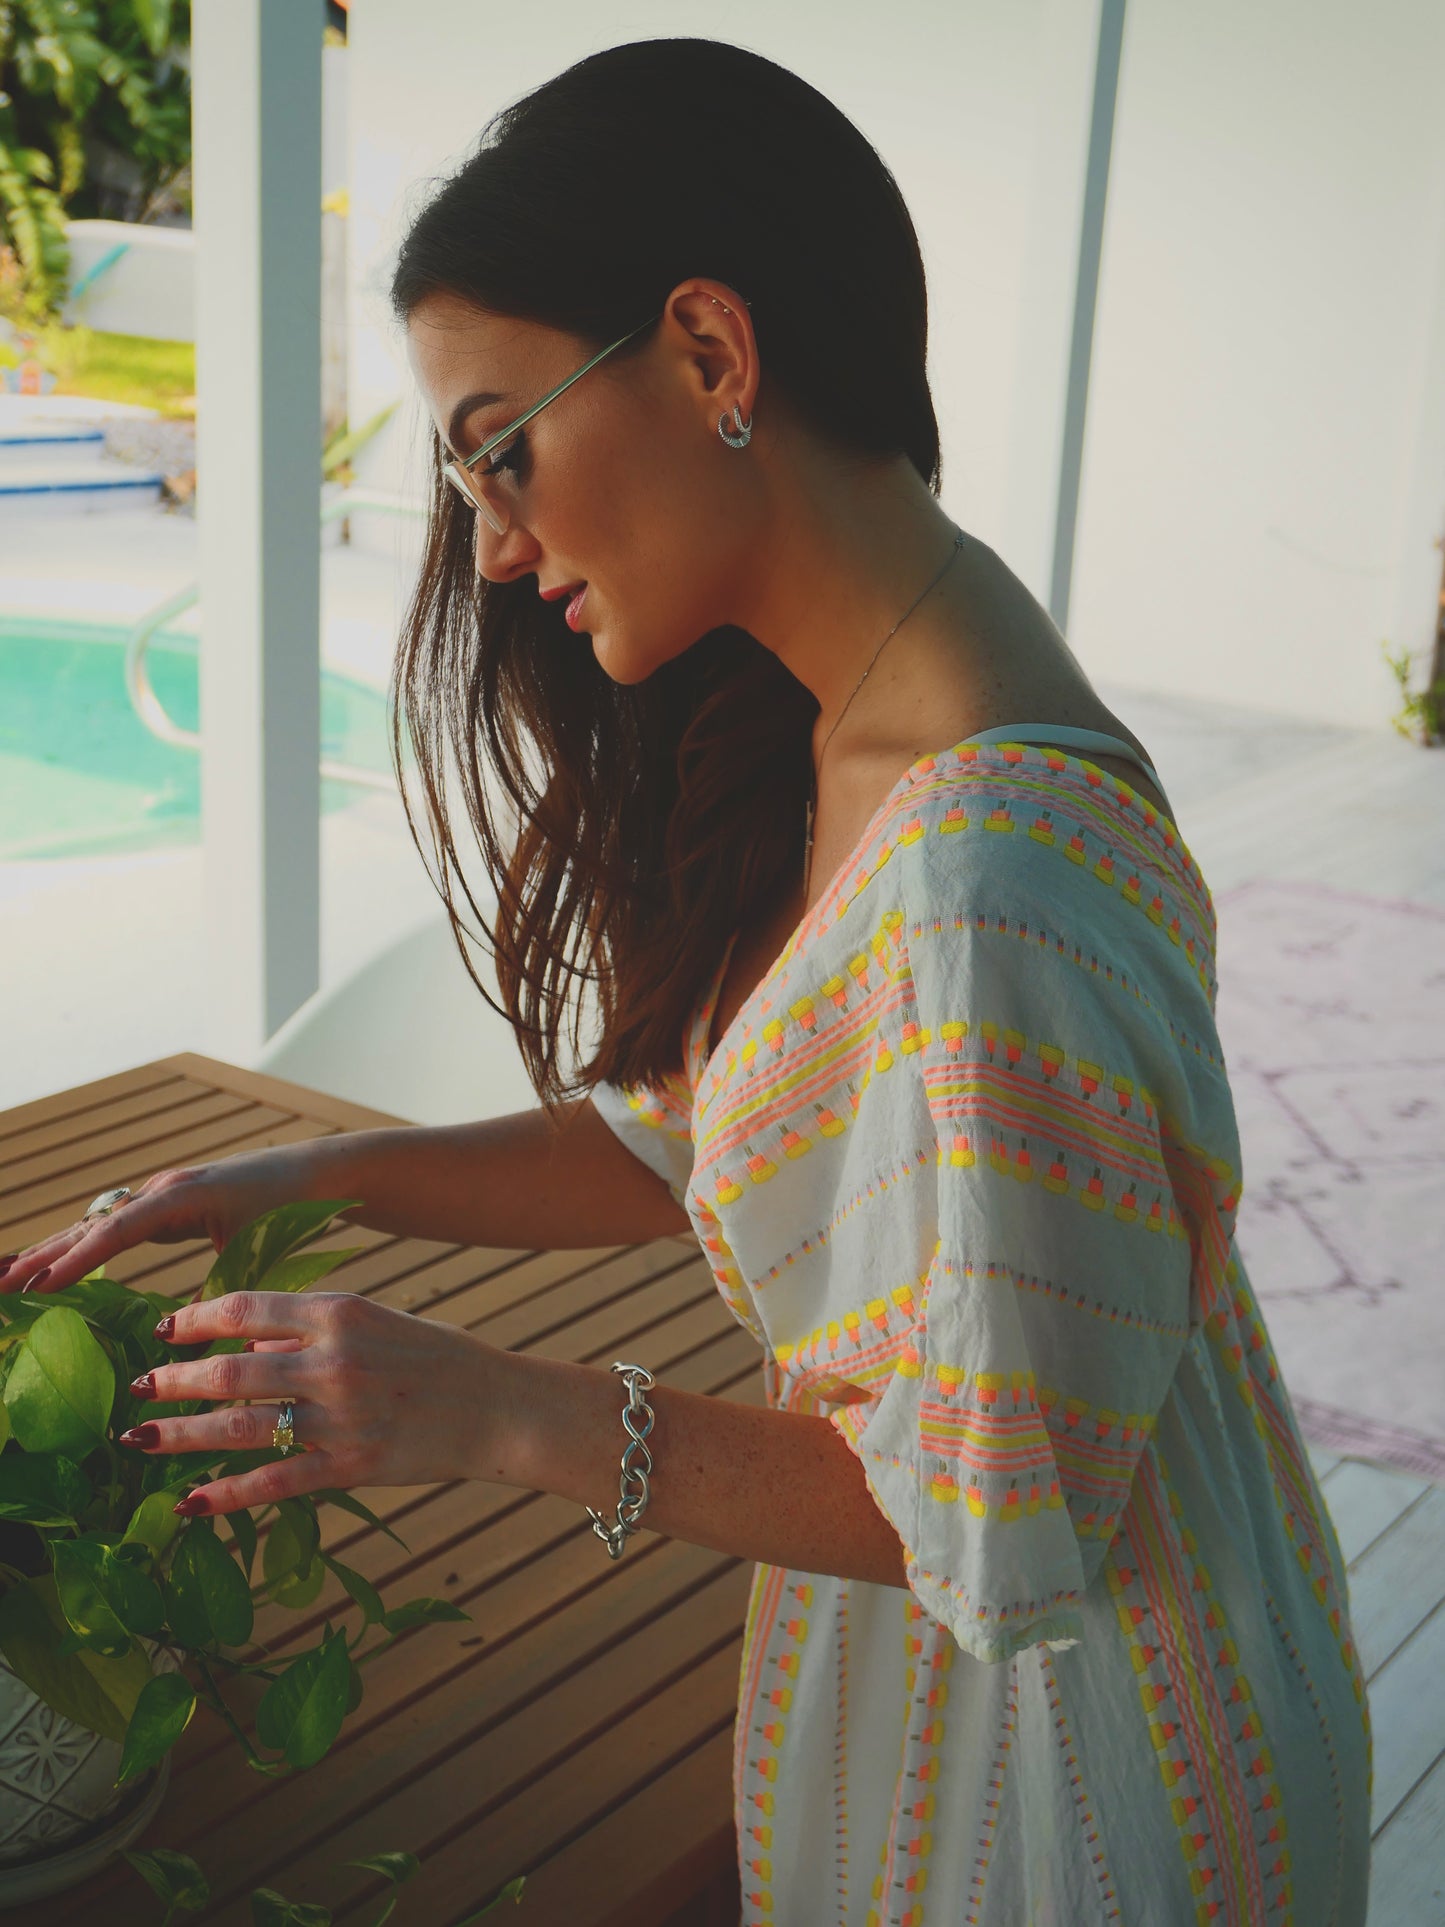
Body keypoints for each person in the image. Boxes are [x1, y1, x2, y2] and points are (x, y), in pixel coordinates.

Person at [1, 36, 1371, 1926]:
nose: (487, 548)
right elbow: (706, 1134)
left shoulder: (983, 880)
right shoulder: (863, 725)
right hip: (972, 1706)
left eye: (500, 446)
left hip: (1073, 1774)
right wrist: (303, 1175)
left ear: (712, 356)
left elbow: (994, 1511)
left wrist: (486, 1411)